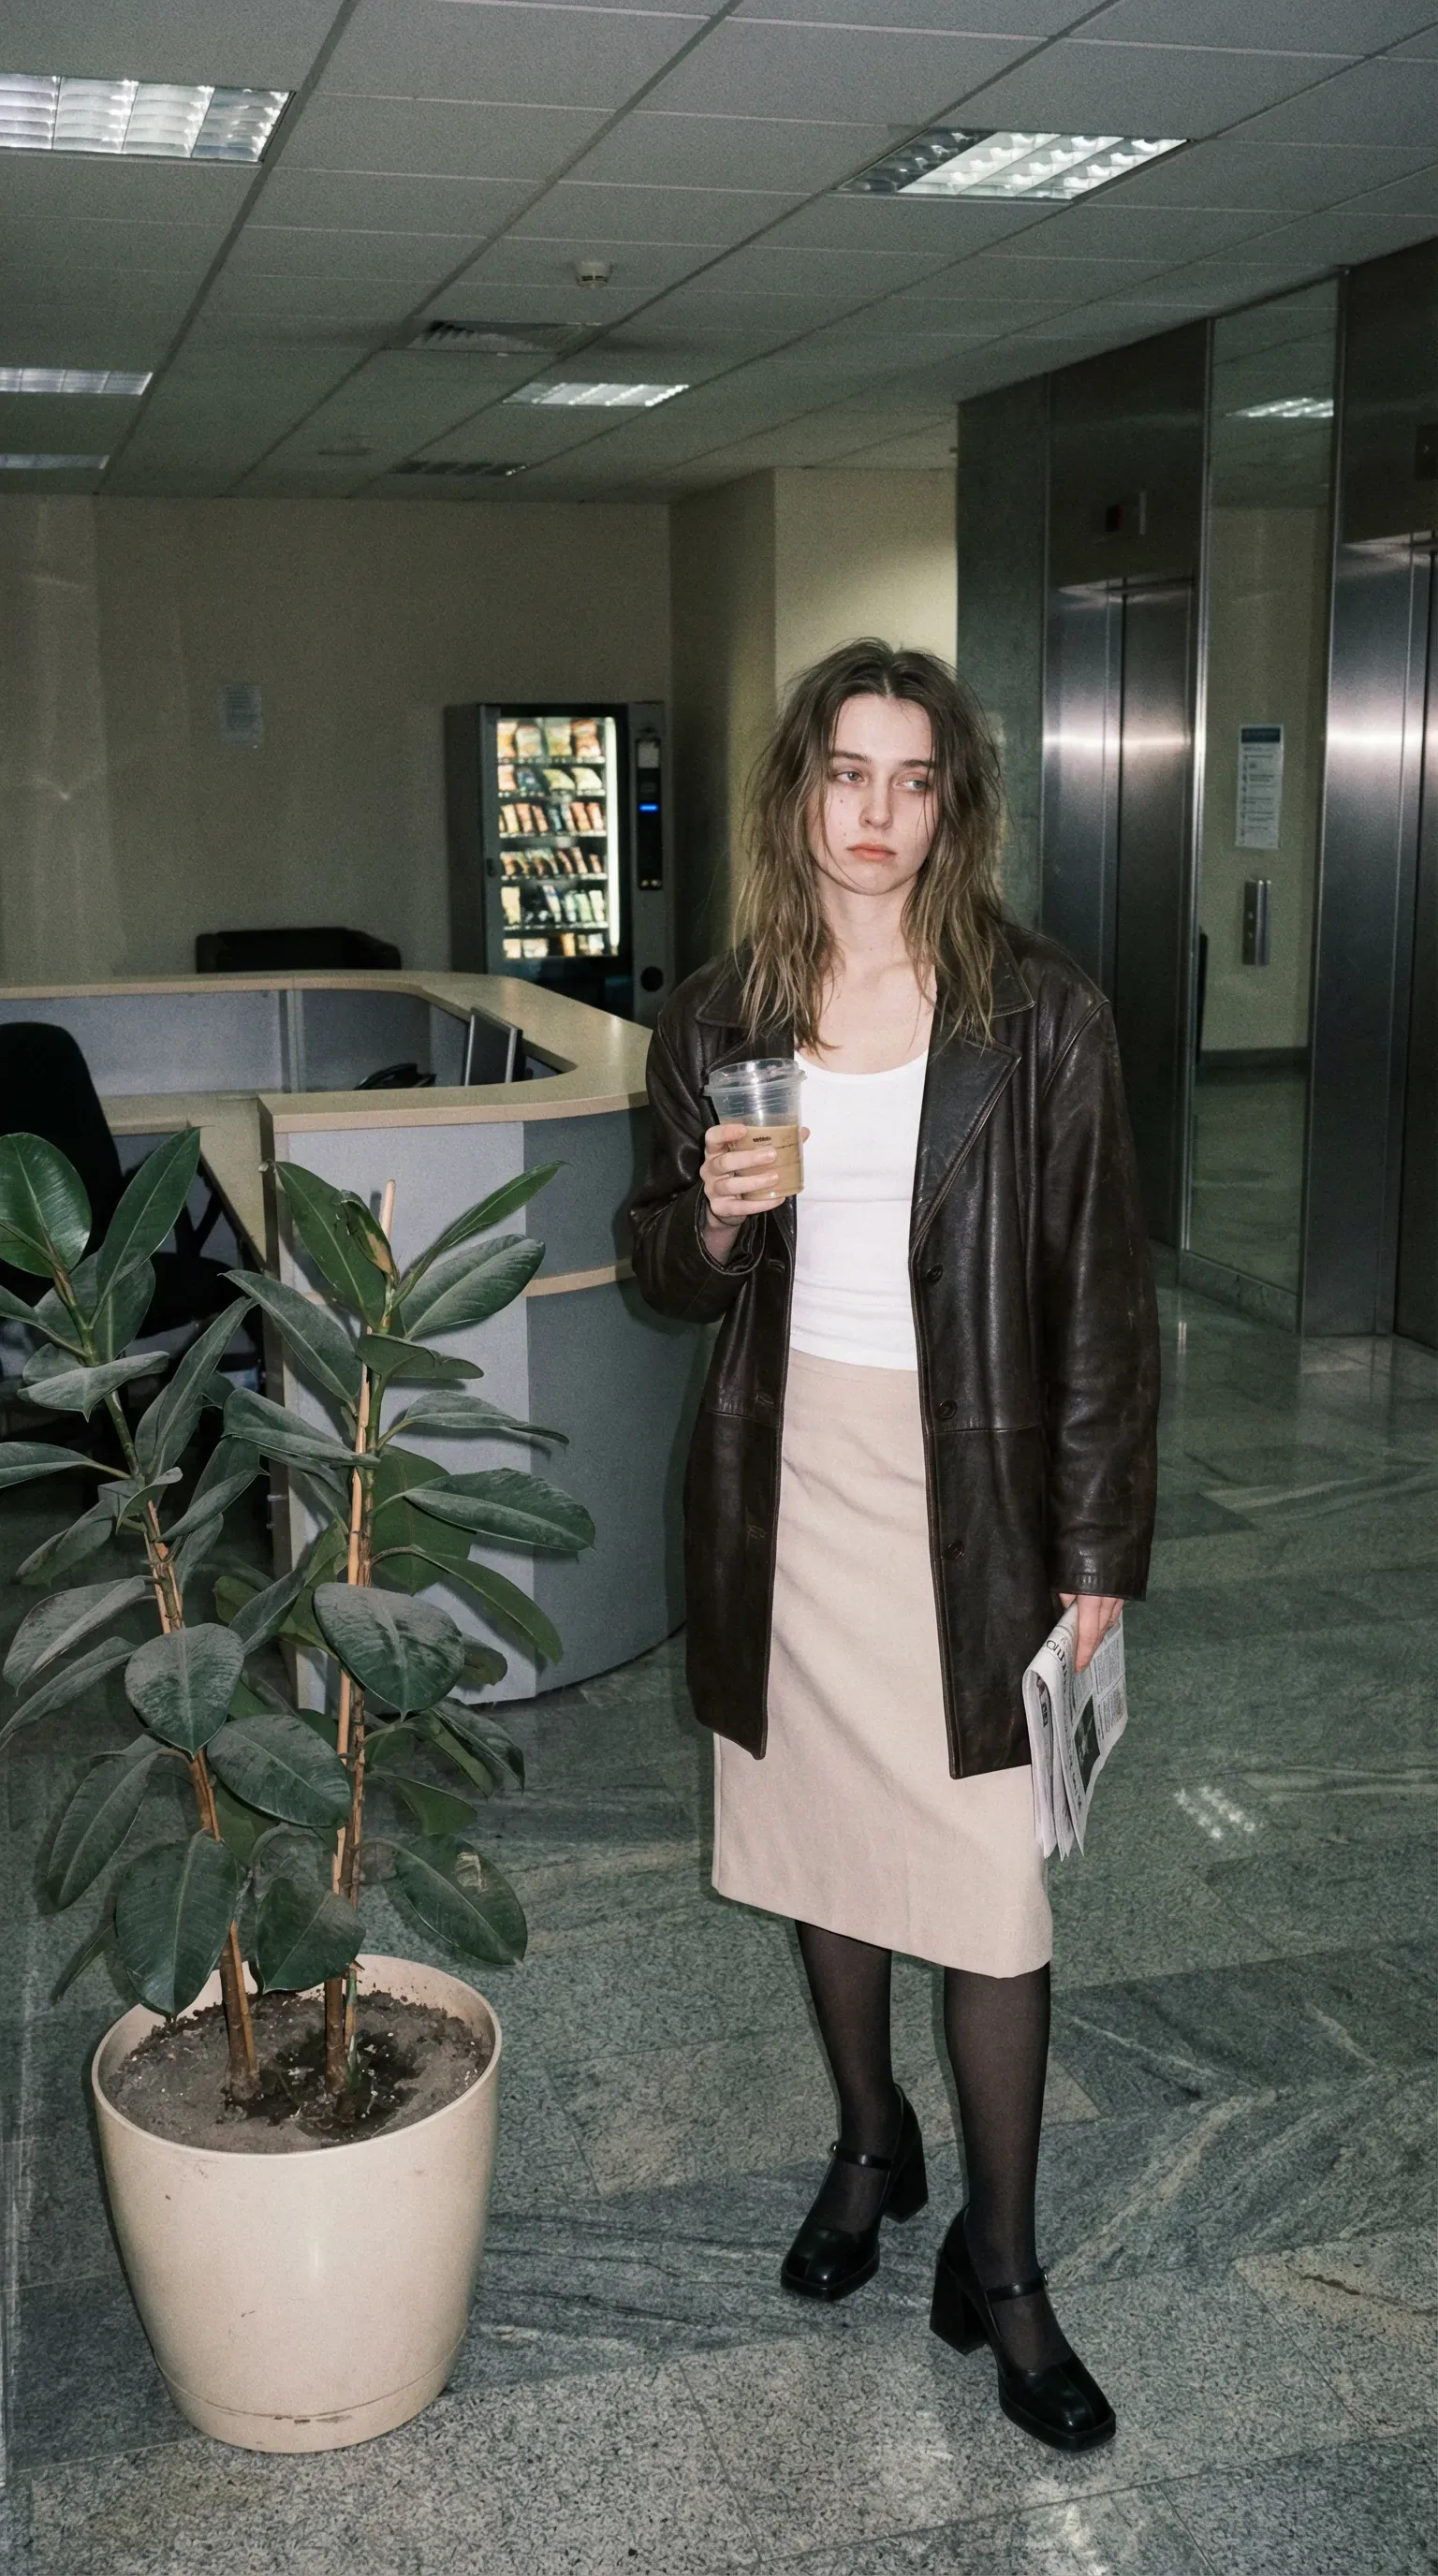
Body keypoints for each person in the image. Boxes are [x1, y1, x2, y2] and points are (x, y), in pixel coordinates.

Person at [629, 638, 1159, 2452]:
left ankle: (1003, 2263)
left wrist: (1099, 1555)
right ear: (799, 792)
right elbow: (653, 1270)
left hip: (982, 1493)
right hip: (787, 1489)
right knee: (825, 1852)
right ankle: (872, 2140)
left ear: (954, 803)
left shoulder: (1043, 1014)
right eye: (845, 773)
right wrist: (703, 1215)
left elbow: (1100, 1297)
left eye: (911, 778)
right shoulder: (719, 1015)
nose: (874, 812)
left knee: (993, 1897)